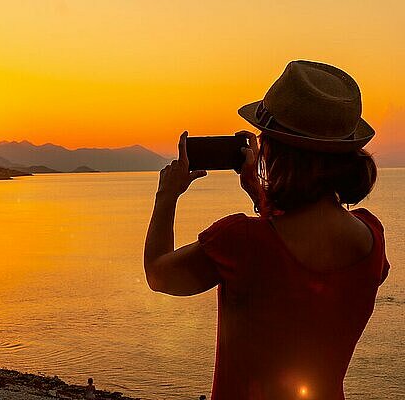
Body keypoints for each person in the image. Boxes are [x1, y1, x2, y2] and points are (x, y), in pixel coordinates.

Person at [144, 61, 390, 399]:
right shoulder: (372, 237)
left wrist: (166, 195)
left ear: (274, 151)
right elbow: (301, 263)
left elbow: (159, 275)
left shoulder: (240, 241)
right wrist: (259, 193)